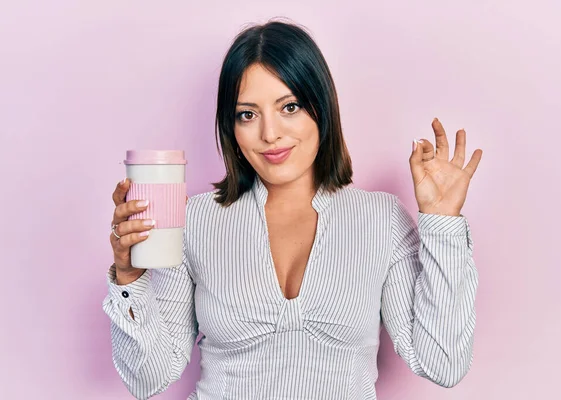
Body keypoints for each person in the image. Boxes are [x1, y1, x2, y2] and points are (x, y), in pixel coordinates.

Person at [103, 19, 483, 400]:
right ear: (230, 127)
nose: (270, 134)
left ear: (321, 107)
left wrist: (442, 223)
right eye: (247, 115)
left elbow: (442, 361)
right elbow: (148, 378)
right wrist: (129, 276)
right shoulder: (196, 221)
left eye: (290, 106)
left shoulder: (382, 220)